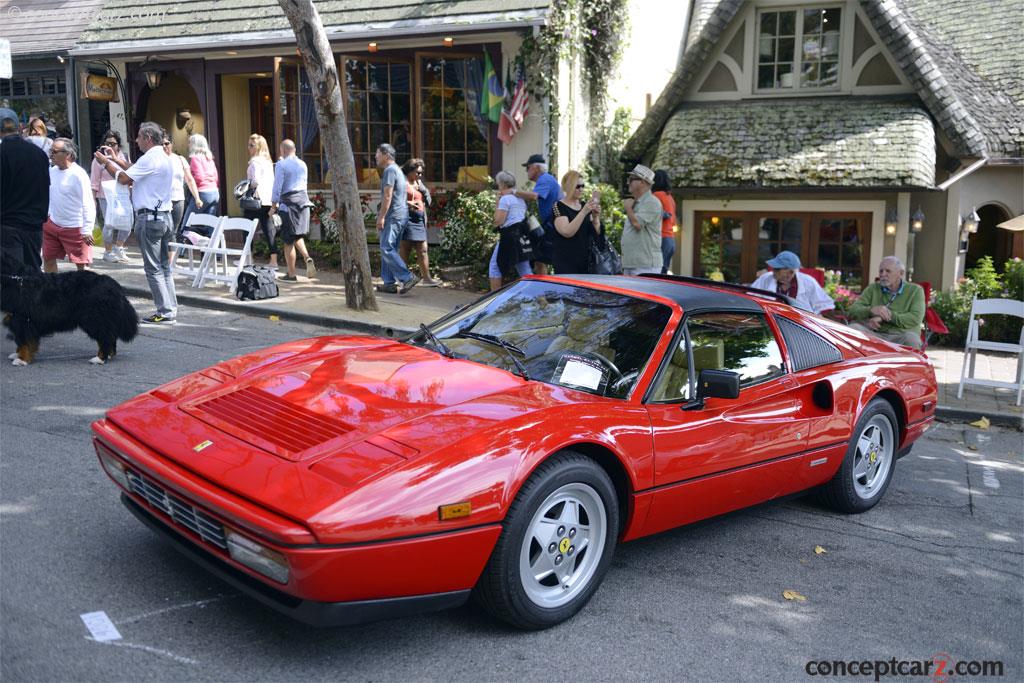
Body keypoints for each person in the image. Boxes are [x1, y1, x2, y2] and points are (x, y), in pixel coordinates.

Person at [94, 121, 176, 325]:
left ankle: (164, 311)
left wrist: (105, 163)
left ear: (148, 138)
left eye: (139, 136)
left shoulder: (150, 158)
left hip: (149, 217)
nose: (136, 140)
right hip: (164, 216)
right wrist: (115, 160)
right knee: (164, 266)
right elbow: (134, 171)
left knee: (153, 268)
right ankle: (170, 308)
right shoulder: (163, 157)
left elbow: (124, 179)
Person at [0, 107, 49, 270]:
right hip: (34, 225)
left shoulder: (2, 153)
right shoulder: (39, 154)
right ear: (20, 128)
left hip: (9, 225)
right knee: (33, 275)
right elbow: (45, 189)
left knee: (13, 278)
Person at [847, 256, 925, 348]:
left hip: (901, 335)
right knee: (853, 329)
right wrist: (871, 310)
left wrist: (885, 316)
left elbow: (915, 318)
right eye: (881, 271)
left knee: (912, 339)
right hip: (874, 334)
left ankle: (910, 363)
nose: (883, 274)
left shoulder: (915, 290)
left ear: (901, 273)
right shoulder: (873, 288)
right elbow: (852, 311)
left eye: (888, 271)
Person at [43, 138, 95, 272]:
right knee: (48, 259)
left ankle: (83, 292)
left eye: (55, 151)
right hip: (52, 224)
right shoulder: (51, 171)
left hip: (75, 227)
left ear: (68, 155)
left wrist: (87, 229)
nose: (51, 154)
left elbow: (88, 202)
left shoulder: (79, 175)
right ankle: (51, 291)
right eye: (51, 151)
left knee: (82, 266)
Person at [374, 143, 418, 294]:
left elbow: (388, 196)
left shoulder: (389, 170)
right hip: (401, 215)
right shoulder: (397, 170)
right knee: (390, 248)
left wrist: (381, 217)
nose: (375, 157)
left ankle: (407, 277)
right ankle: (389, 283)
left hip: (393, 216)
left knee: (386, 247)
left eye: (378, 154)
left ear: (386, 155)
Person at [269, 139, 316, 281]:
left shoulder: (281, 165)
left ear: (282, 150)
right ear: (294, 150)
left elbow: (277, 187)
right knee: (297, 235)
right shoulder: (303, 164)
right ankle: (307, 257)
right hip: (303, 203)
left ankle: (291, 274)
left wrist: (273, 207)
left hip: (288, 205)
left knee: (288, 241)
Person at [90, 129, 133, 262]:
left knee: (127, 222)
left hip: (123, 195)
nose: (110, 146)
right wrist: (93, 200)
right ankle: (108, 251)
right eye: (107, 143)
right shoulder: (98, 159)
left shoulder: (123, 157)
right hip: (105, 196)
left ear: (118, 145)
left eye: (113, 144)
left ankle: (119, 247)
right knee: (109, 223)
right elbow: (94, 182)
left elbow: (131, 173)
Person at [515, 153, 562, 275]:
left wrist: (513, 192)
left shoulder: (544, 179)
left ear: (536, 168)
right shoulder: (546, 179)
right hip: (553, 224)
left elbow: (534, 196)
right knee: (540, 259)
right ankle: (543, 289)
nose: (527, 171)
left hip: (554, 225)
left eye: (528, 168)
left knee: (544, 258)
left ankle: (545, 290)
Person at [750, 251, 834, 314]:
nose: (773, 272)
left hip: (801, 324)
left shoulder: (808, 282)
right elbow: (751, 297)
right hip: (772, 322)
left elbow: (824, 304)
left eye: (777, 270)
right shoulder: (766, 278)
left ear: (790, 272)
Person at [551, 170, 601, 275]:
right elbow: (567, 232)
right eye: (577, 186)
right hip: (566, 262)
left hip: (586, 261)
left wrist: (596, 217)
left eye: (583, 186)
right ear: (569, 186)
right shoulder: (559, 206)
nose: (581, 189)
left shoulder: (584, 205)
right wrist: (583, 212)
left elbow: (596, 233)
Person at [489, 171, 532, 291]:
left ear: (502, 184)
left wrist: (497, 205)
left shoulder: (505, 199)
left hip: (509, 236)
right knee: (525, 269)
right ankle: (539, 299)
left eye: (498, 184)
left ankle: (494, 299)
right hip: (521, 236)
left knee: (495, 267)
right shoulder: (520, 200)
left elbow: (499, 221)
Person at [400, 158, 438, 286]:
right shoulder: (401, 182)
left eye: (421, 173)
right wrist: (408, 204)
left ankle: (426, 278)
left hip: (419, 219)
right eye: (417, 172)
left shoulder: (419, 183)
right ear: (409, 171)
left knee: (423, 249)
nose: (420, 175)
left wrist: (421, 189)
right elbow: (393, 201)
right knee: (406, 249)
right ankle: (403, 278)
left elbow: (428, 200)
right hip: (407, 219)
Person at [620, 164, 662, 276]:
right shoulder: (638, 202)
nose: (628, 182)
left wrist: (628, 208)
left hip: (645, 266)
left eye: (632, 179)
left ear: (642, 182)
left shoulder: (652, 202)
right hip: (633, 264)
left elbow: (637, 224)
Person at [245, 134, 277, 269]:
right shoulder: (268, 162)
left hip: (255, 199)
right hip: (267, 200)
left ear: (258, 147)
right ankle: (274, 261)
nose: (248, 148)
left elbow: (256, 181)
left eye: (251, 145)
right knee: (269, 230)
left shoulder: (255, 162)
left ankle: (248, 258)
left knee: (246, 228)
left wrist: (247, 184)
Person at [162, 134, 200, 240]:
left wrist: (197, 198)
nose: (164, 146)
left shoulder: (180, 159)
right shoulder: (157, 160)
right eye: (161, 144)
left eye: (167, 143)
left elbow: (189, 179)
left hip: (178, 199)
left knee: (173, 231)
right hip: (162, 201)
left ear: (172, 144)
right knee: (163, 230)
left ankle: (171, 257)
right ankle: (163, 255)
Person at [181, 133, 218, 231]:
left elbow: (199, 177)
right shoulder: (209, 158)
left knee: (187, 224)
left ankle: (182, 246)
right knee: (209, 225)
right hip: (214, 192)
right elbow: (216, 177)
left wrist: (188, 179)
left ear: (194, 144)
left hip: (202, 193)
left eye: (189, 142)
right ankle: (211, 245)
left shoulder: (195, 158)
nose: (188, 145)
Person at [652, 170, 676, 274]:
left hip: (661, 238)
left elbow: (651, 213)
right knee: (663, 274)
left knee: (655, 274)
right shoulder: (670, 197)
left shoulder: (657, 195)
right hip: (670, 240)